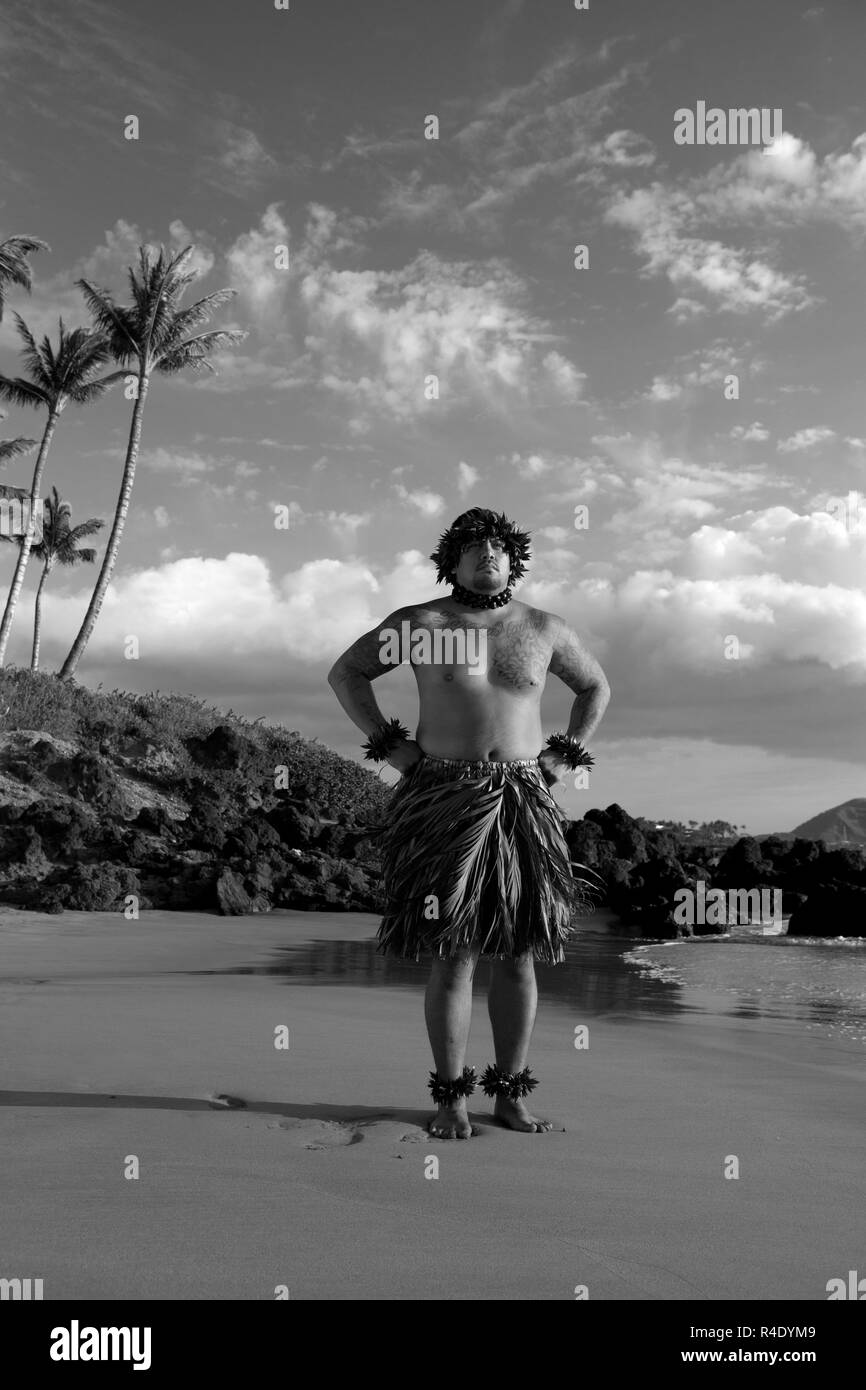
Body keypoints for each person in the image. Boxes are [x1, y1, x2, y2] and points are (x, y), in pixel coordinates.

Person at [327, 507, 610, 1139]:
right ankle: (451, 1097)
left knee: (517, 952)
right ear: (450, 561)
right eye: (473, 545)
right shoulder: (422, 624)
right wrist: (389, 747)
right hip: (441, 799)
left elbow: (594, 687)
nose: (488, 551)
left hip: (522, 801)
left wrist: (563, 758)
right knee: (452, 952)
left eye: (499, 545)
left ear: (515, 560)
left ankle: (510, 1094)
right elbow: (346, 673)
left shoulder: (543, 627)